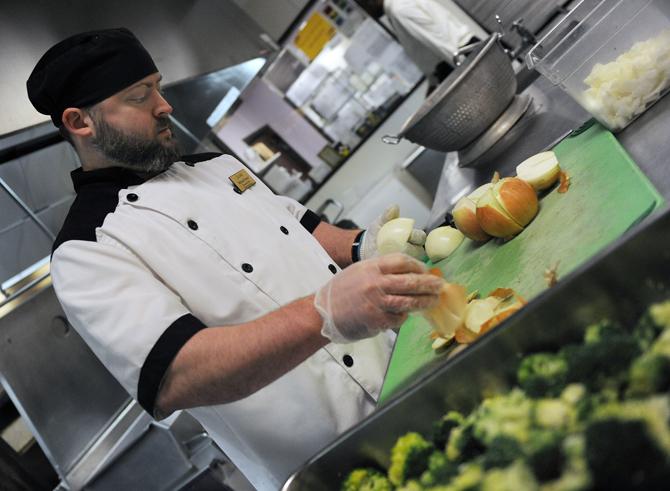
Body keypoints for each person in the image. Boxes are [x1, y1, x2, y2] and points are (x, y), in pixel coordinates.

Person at [26, 28, 443, 490]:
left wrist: (367, 246)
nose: (164, 105)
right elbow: (180, 373)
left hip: (412, 371)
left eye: (158, 87)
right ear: (80, 123)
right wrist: (325, 314)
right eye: (140, 95)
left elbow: (304, 231)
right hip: (336, 462)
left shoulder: (217, 168)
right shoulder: (86, 251)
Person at [357, 0, 478, 89]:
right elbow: (424, 49)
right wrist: (432, 82)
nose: (366, 10)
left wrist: (468, 72)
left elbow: (438, 40)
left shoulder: (399, 10)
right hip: (457, 57)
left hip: (459, 57)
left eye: (364, 3)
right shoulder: (396, 9)